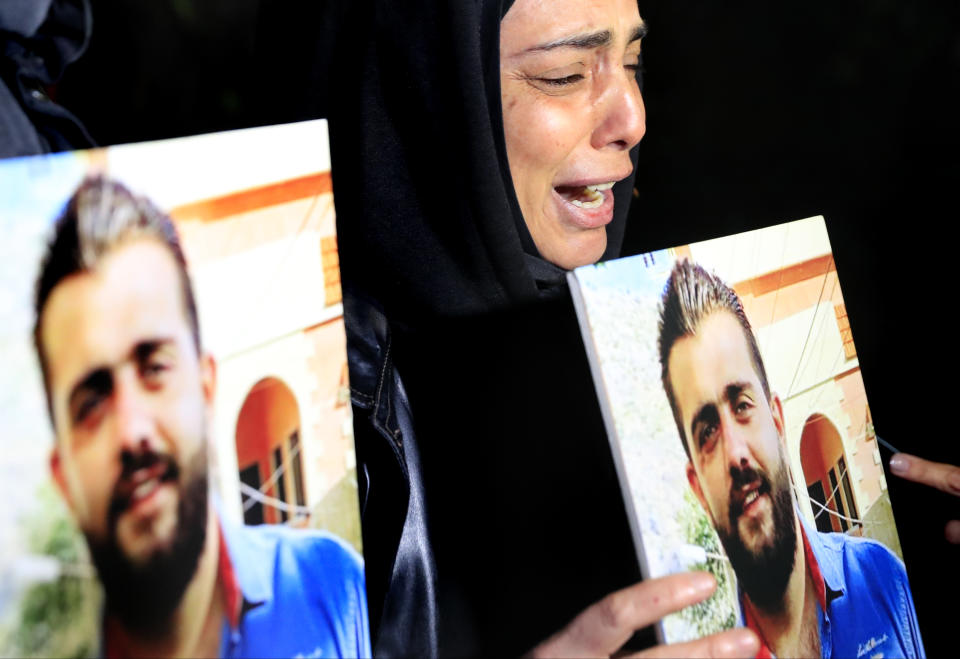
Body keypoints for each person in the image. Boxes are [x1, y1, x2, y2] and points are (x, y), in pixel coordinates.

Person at [33, 177, 370, 659]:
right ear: (63, 476)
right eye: (92, 402)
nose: (133, 430)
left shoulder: (337, 596)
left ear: (206, 388)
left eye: (155, 368)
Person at [656, 259, 925, 658]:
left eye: (742, 404)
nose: (735, 453)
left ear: (778, 421)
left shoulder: (885, 582)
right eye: (707, 432)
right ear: (697, 487)